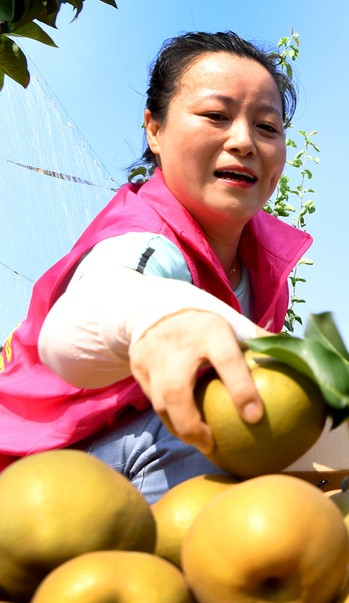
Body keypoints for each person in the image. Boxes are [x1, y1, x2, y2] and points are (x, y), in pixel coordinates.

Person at [0, 32, 310, 502]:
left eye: (267, 127)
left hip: (102, 461)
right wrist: (157, 318)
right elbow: (81, 318)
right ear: (155, 130)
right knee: (209, 425)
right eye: (215, 116)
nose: (244, 141)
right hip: (33, 468)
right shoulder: (146, 241)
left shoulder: (260, 266)